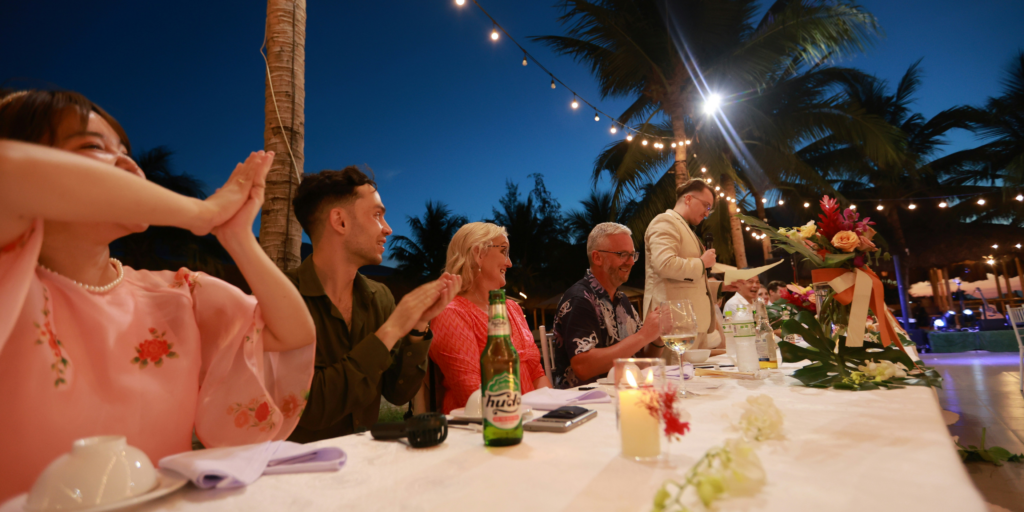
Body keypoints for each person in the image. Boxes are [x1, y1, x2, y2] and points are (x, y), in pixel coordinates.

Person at [0, 90, 316, 501]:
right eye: (93, 146)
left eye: (125, 150)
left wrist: (237, 238)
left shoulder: (176, 293)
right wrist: (200, 213)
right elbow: (9, 172)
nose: (129, 162)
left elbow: (292, 333)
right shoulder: (12, 284)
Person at [286, 167, 460, 442]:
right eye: (377, 215)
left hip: (367, 467)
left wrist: (417, 326)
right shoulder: (283, 297)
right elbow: (309, 407)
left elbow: (398, 392)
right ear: (340, 221)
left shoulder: (380, 297)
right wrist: (390, 330)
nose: (388, 228)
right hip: (299, 474)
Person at [429, 222, 549, 414]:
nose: (509, 263)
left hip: (530, 419)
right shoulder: (451, 314)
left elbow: (537, 375)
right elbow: (473, 395)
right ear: (478, 254)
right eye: (504, 252)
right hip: (480, 430)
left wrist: (553, 412)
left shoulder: (512, 309)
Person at [552, 223, 662, 388]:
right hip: (585, 403)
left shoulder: (622, 300)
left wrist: (658, 336)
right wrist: (643, 336)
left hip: (622, 394)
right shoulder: (578, 299)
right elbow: (583, 367)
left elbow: (642, 362)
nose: (631, 262)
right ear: (597, 258)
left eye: (633, 255)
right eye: (623, 254)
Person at [643, 179, 721, 351]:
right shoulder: (665, 221)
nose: (707, 214)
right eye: (706, 206)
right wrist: (701, 263)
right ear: (688, 199)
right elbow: (664, 264)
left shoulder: (684, 227)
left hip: (692, 325)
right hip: (674, 327)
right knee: (675, 377)